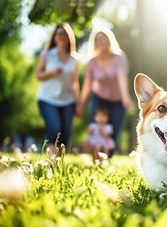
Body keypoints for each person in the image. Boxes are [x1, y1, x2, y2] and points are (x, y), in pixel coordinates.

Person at [79, 27, 132, 153]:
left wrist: (125, 98)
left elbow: (122, 78)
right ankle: (96, 158)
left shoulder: (119, 58)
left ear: (109, 40)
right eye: (97, 39)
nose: (101, 41)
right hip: (99, 99)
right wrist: (81, 104)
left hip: (118, 101)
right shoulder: (91, 62)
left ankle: (107, 158)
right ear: (94, 43)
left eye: (103, 38)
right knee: (97, 130)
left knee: (113, 132)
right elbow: (87, 84)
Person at [36, 22, 80, 155]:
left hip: (67, 101)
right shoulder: (47, 54)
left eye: (65, 34)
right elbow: (38, 75)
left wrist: (77, 104)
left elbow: (74, 83)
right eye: (59, 34)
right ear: (55, 37)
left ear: (69, 37)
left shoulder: (74, 59)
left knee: (65, 134)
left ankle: (57, 164)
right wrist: (51, 72)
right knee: (55, 128)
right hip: (47, 99)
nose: (62, 37)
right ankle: (50, 162)